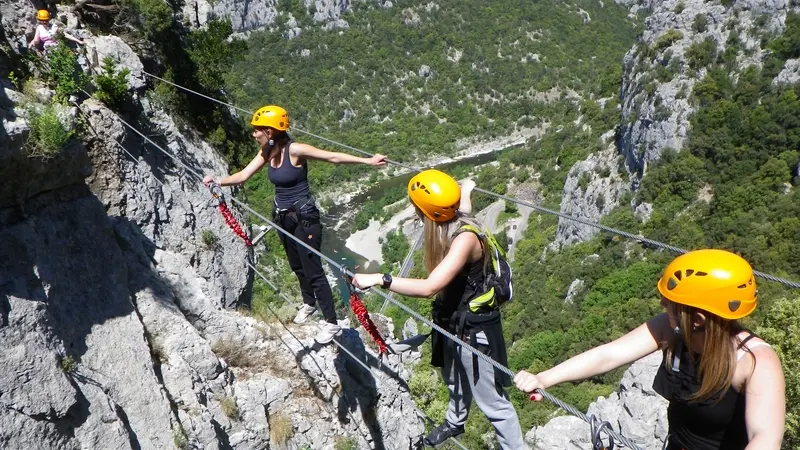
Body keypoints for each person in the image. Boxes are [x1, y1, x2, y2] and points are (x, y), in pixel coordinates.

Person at [514, 249, 786, 450]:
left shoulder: (755, 362)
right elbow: (609, 354)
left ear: (698, 319)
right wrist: (545, 378)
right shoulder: (675, 330)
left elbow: (765, 439)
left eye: (670, 302)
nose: (662, 305)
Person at [352, 169, 525, 449]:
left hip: (474, 331)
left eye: (416, 205)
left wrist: (380, 279)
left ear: (427, 211)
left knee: (494, 403)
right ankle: (455, 422)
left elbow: (429, 286)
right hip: (451, 322)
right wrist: (466, 190)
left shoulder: (466, 239)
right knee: (453, 378)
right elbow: (461, 210)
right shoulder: (452, 219)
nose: (413, 209)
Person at [203, 105, 386, 344]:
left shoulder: (295, 149)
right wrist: (218, 181)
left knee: (314, 271)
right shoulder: (267, 152)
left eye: (258, 130)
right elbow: (244, 175)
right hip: (283, 217)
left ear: (270, 130)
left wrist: (368, 161)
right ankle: (309, 303)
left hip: (305, 219)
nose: (254, 134)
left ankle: (331, 323)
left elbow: (332, 157)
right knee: (297, 266)